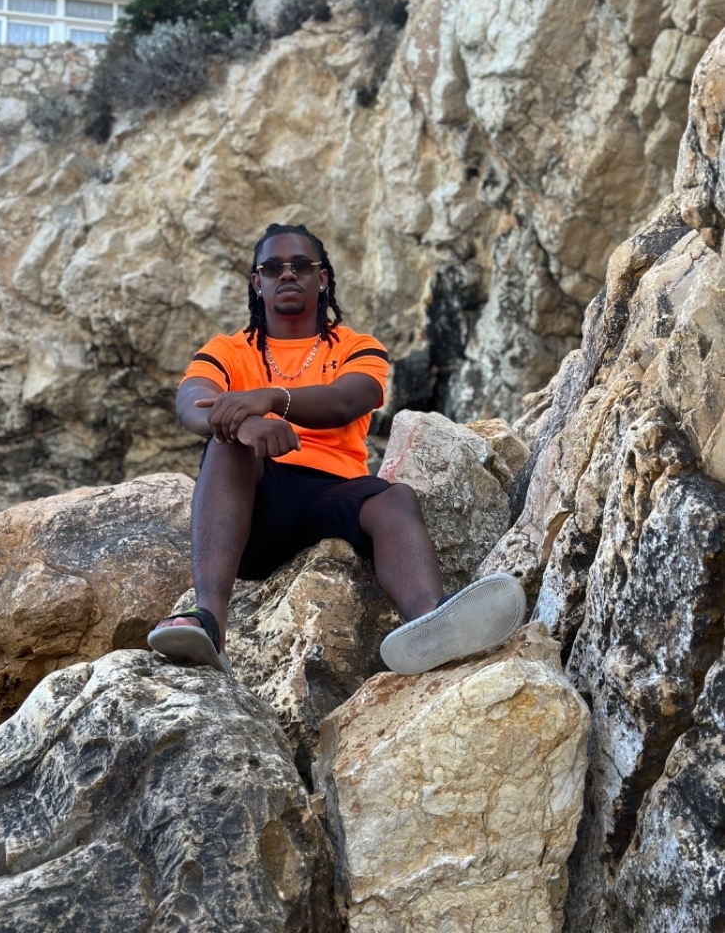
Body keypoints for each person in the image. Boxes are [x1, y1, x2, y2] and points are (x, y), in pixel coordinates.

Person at [148, 223, 525, 676]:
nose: (288, 274)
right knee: (226, 445)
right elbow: (191, 404)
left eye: (301, 265)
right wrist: (245, 426)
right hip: (256, 509)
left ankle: (432, 621)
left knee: (394, 498)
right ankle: (208, 621)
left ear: (322, 277)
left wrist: (272, 399)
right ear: (257, 282)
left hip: (333, 494)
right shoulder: (229, 350)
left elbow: (349, 399)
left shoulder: (357, 346)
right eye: (273, 267)